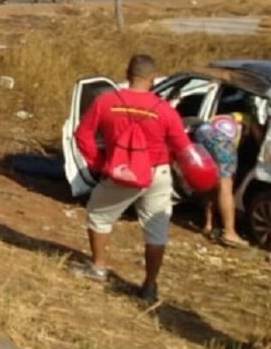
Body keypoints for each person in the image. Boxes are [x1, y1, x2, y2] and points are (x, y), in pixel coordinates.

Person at [72, 54, 193, 304]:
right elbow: (183, 147)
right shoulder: (165, 110)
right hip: (157, 173)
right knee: (156, 230)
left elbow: (82, 135)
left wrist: (99, 164)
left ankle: (98, 265)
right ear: (152, 78)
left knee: (99, 214)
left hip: (121, 170)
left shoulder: (106, 102)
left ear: (128, 75)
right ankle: (149, 285)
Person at [192, 113, 252, 248]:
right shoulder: (251, 119)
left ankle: (208, 225)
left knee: (213, 182)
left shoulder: (228, 115)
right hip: (222, 141)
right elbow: (260, 139)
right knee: (225, 187)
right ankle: (230, 233)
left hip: (202, 133)